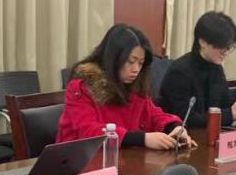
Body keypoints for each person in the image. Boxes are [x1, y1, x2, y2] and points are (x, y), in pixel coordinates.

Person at [57, 24, 195, 150]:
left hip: (123, 158)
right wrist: (142, 139)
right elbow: (87, 131)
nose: (136, 69)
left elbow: (153, 114)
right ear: (113, 58)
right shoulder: (81, 86)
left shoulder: (133, 85)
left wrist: (174, 127)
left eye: (140, 63)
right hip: (80, 160)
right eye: (130, 61)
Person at [157, 11, 236, 129]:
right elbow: (186, 120)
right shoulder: (179, 72)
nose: (225, 52)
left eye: (229, 47)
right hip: (183, 136)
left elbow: (225, 105)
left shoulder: (216, 67)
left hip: (211, 134)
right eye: (221, 46)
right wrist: (231, 115)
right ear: (203, 42)